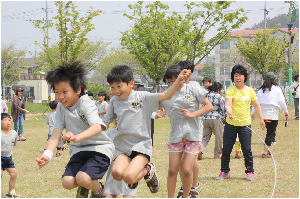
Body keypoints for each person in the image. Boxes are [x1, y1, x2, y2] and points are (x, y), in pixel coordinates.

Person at [103, 65, 191, 194]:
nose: (115, 91)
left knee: (129, 177)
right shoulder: (114, 101)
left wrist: (178, 80)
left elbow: (166, 95)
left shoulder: (142, 97)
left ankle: (148, 170)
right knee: (116, 173)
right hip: (121, 146)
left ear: (131, 83)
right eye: (112, 87)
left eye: (119, 86)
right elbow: (105, 123)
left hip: (140, 146)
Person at [36, 61, 115, 198]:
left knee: (82, 178)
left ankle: (100, 188)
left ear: (78, 90)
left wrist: (77, 137)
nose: (60, 96)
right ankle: (85, 185)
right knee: (67, 182)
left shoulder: (86, 103)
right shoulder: (61, 107)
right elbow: (55, 134)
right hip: (79, 150)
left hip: (99, 149)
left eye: (65, 92)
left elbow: (97, 127)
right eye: (57, 92)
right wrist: (47, 155)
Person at [159, 64, 213, 198]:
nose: (174, 83)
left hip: (192, 135)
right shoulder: (167, 94)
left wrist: (192, 114)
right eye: (170, 81)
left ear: (184, 78)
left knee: (187, 170)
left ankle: (186, 195)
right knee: (172, 170)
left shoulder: (193, 89)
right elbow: (156, 105)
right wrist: (159, 113)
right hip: (175, 136)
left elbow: (209, 107)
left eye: (176, 80)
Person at [216, 64, 265, 182]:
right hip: (231, 125)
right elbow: (228, 104)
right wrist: (230, 113)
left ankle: (250, 171)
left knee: (247, 149)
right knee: (227, 148)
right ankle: (224, 171)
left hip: (245, 125)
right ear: (233, 78)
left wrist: (261, 119)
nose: (238, 78)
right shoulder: (231, 90)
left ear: (244, 77)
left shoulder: (250, 91)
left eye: (240, 75)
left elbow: (257, 105)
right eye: (235, 75)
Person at [175, 60, 203, 198]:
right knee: (183, 161)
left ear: (190, 72)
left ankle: (194, 186)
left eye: (184, 70)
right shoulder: (175, 86)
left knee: (189, 161)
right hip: (179, 129)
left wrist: (192, 114)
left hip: (194, 128)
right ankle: (187, 185)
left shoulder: (195, 86)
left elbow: (207, 105)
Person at [251, 72, 289, 158]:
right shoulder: (277, 88)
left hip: (263, 114)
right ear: (274, 79)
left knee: (269, 132)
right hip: (272, 114)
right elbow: (282, 101)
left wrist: (252, 113)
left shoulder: (261, 90)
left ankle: (268, 150)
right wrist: (286, 111)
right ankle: (265, 153)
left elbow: (256, 102)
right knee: (270, 133)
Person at [104, 118, 139, 198]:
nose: (116, 119)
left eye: (119, 116)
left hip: (129, 173)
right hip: (113, 173)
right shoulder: (108, 134)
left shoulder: (134, 134)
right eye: (114, 117)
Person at [200, 82, 226, 159]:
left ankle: (200, 150)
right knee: (219, 137)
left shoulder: (206, 96)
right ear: (218, 90)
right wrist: (225, 118)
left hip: (205, 118)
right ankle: (217, 154)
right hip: (216, 119)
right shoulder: (219, 97)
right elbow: (224, 108)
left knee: (205, 137)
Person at [1, 113, 20, 198]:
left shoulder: (14, 133)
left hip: (8, 157)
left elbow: (13, 144)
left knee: (14, 174)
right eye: (4, 120)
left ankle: (11, 192)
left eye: (9, 120)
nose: (8, 122)